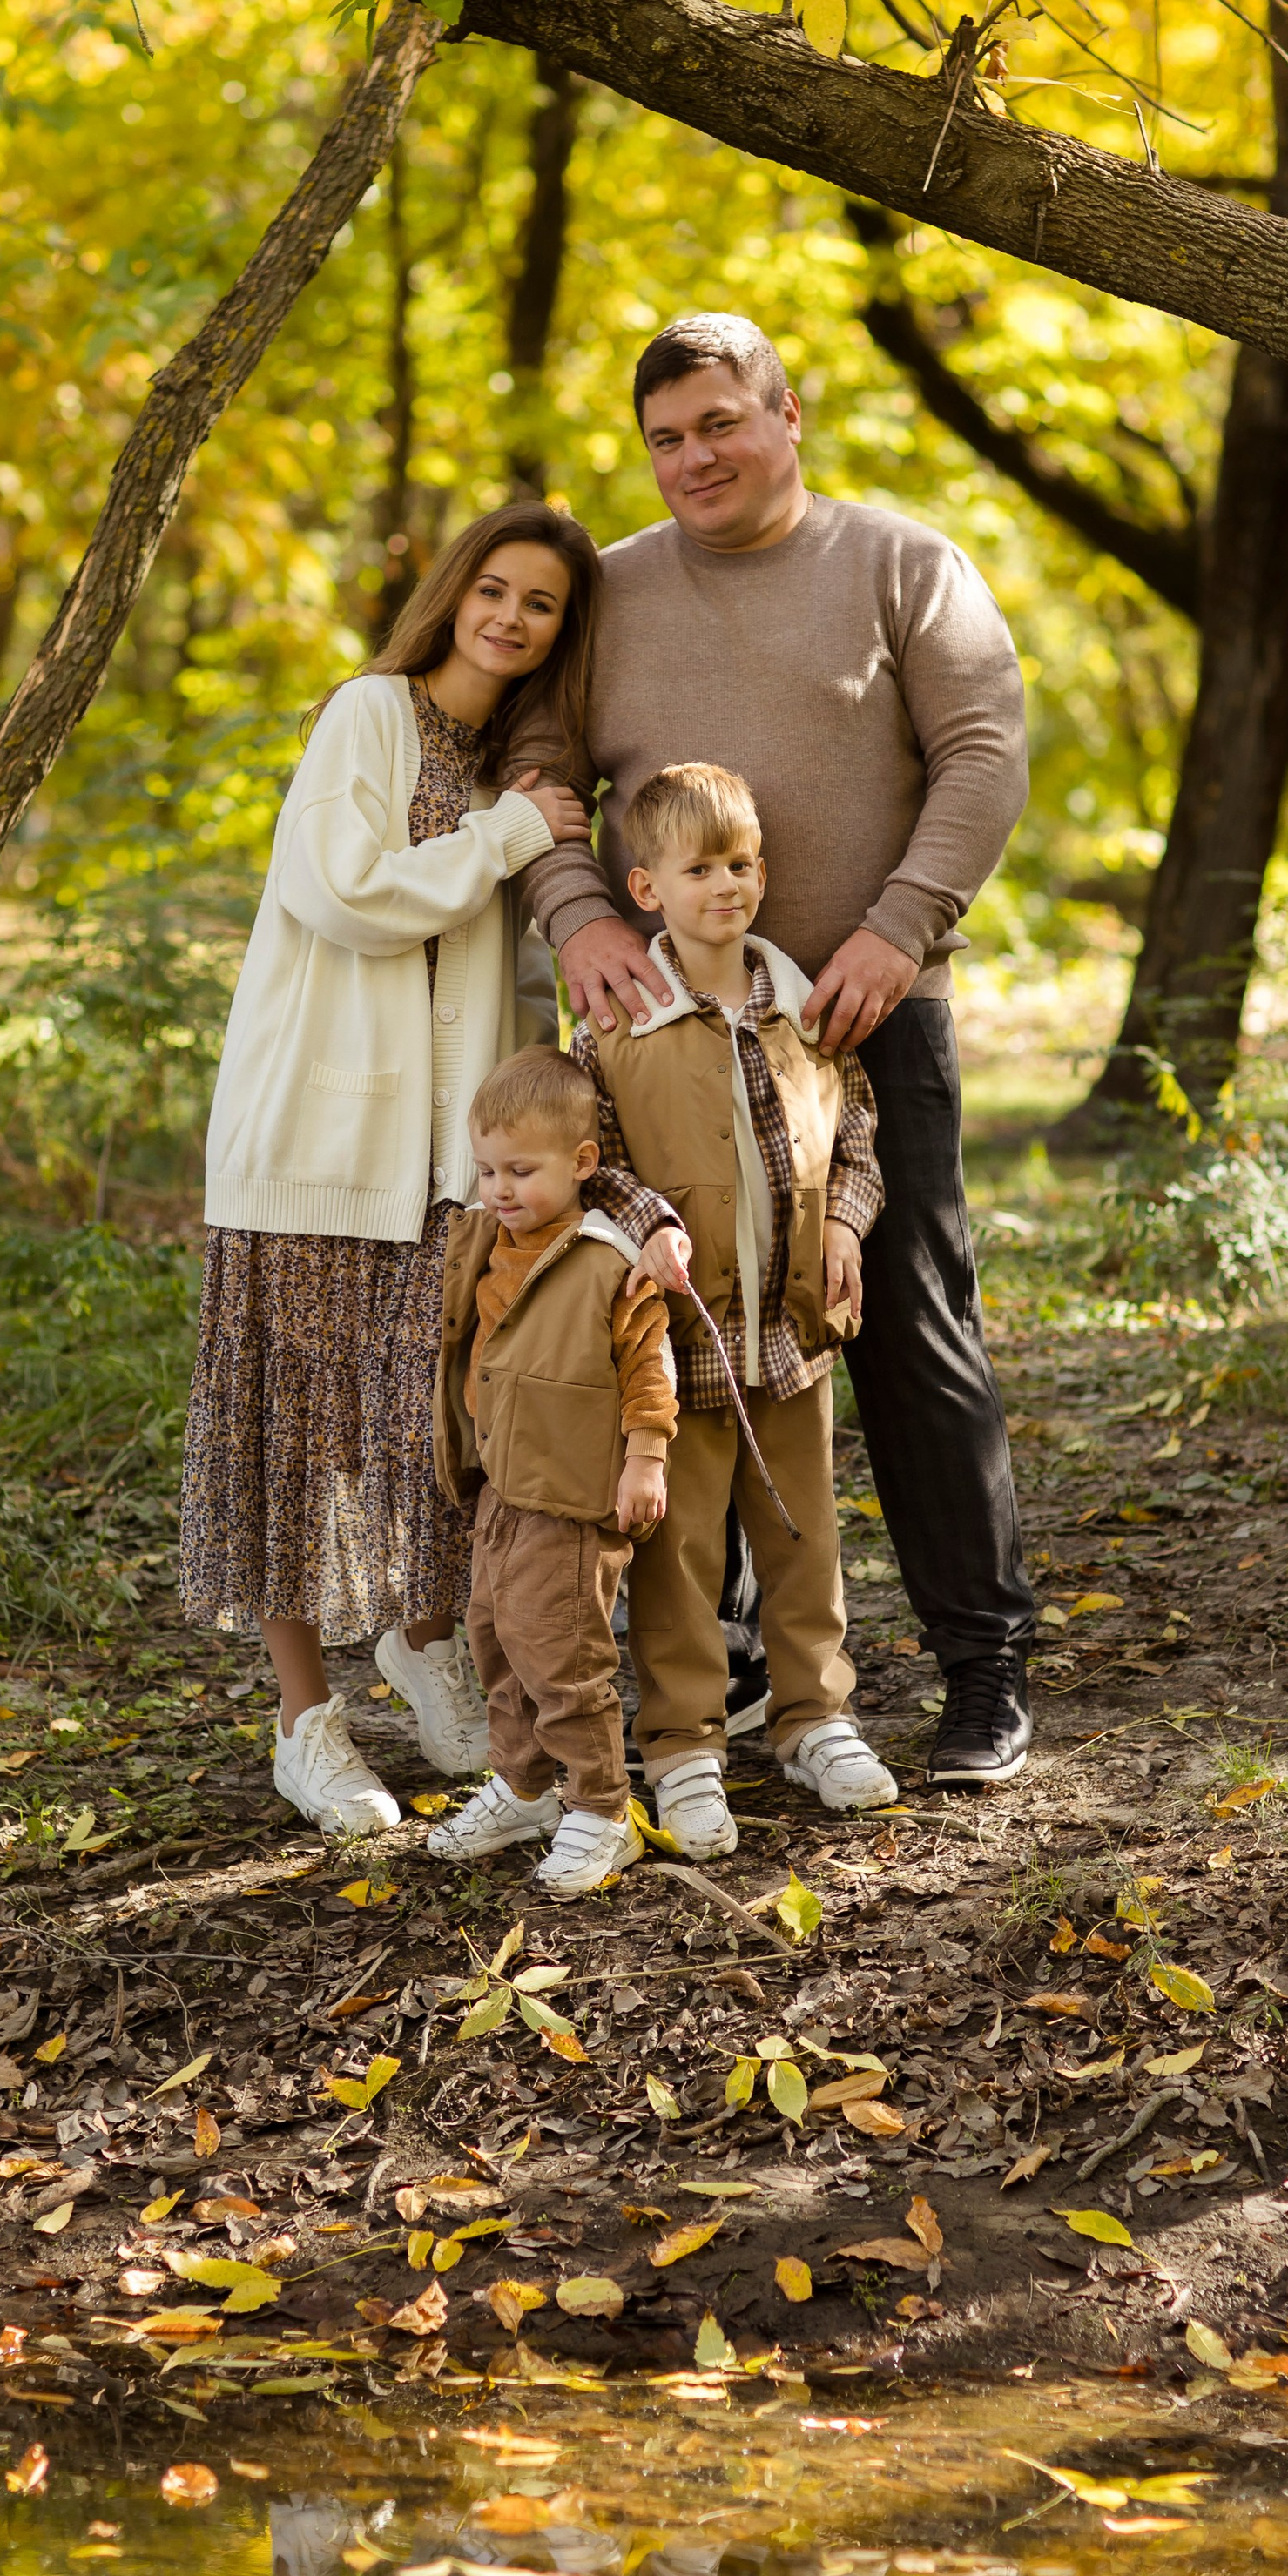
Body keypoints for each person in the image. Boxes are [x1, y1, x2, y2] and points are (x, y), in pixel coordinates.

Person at [513, 313, 1038, 1786]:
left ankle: (983, 1671)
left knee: (901, 1325)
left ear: (787, 414)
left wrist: (901, 928)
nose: (694, 459)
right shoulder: (608, 594)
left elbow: (985, 754)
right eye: (667, 439)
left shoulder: (900, 566)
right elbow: (539, 781)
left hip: (861, 1025)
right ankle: (736, 1679)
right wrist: (574, 922)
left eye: (720, 425)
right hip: (657, 1043)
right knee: (678, 1332)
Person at [179, 503, 601, 1838]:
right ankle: (307, 1725)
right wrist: (509, 839)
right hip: (311, 1144)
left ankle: (425, 1648)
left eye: (540, 604)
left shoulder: (503, 772)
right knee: (294, 1449)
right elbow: (343, 894)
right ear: (453, 593)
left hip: (434, 1167)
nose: (511, 618)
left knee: (428, 1435)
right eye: (494, 588)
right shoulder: (368, 714)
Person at [570, 761, 896, 1853]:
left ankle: (814, 1715)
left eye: (743, 863)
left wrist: (844, 1223)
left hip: (793, 1328)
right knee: (681, 1553)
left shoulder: (804, 1011)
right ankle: (682, 1746)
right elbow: (594, 1162)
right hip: (684, 1337)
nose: (728, 885)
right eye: (700, 867)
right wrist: (641, 1219)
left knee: (802, 1538)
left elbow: (854, 1136)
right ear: (646, 888)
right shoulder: (615, 1027)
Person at [422, 1046, 678, 1898]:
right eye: (488, 1168)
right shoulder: (486, 1243)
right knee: (495, 1639)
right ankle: (525, 1787)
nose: (498, 1187)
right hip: (502, 1478)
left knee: (562, 1654)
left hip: (573, 1492)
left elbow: (649, 1368)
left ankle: (601, 1809)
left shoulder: (607, 1259)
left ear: (581, 1165)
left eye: (520, 1170)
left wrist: (645, 1459)